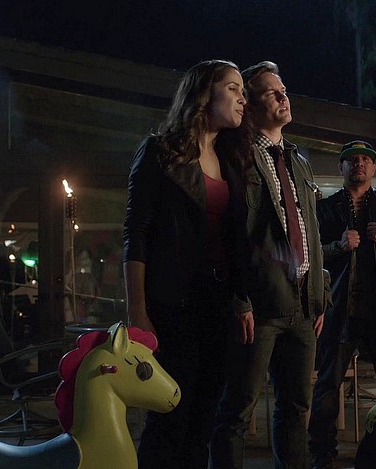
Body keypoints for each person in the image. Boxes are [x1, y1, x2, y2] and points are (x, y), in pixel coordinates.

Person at [122, 59, 252, 469]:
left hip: (217, 304)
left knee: (204, 419)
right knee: (169, 417)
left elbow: (235, 240)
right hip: (172, 303)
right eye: (233, 88)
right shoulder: (160, 151)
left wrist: (241, 298)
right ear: (204, 92)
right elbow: (135, 234)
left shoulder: (231, 160)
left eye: (243, 91)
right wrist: (138, 311)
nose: (242, 98)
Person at [209, 61, 329, 469]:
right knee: (236, 410)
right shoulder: (236, 156)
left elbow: (310, 230)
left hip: (304, 305)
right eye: (270, 92)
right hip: (259, 304)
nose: (283, 96)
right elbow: (228, 232)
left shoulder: (298, 161)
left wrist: (320, 295)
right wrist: (239, 298)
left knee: (296, 407)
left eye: (284, 89)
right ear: (251, 104)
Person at [309, 140, 376, 468]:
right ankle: (322, 457)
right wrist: (338, 246)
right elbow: (309, 258)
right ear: (341, 167)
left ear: (373, 167)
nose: (358, 163)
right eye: (351, 159)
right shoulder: (324, 209)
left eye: (364, 159)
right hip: (338, 310)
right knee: (327, 385)